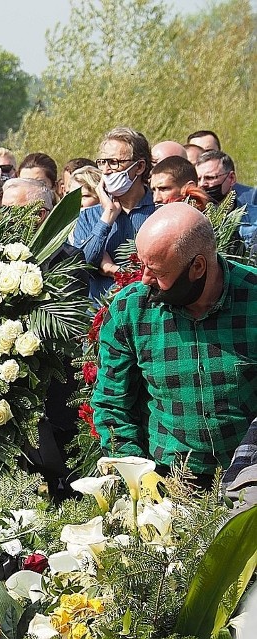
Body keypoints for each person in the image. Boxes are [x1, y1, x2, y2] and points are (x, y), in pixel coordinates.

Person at [93, 203, 257, 486]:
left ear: (197, 267)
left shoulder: (252, 298)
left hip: (250, 478)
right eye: (143, 265)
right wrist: (138, 478)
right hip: (168, 482)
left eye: (157, 271)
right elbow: (111, 405)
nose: (144, 278)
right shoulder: (131, 310)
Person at [71, 126, 155, 300]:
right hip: (100, 317)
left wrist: (113, 270)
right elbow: (82, 264)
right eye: (102, 162)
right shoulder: (88, 216)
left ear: (139, 167)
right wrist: (107, 217)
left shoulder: (159, 212)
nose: (106, 170)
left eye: (114, 162)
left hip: (148, 311)